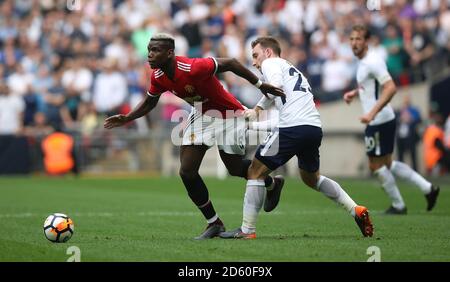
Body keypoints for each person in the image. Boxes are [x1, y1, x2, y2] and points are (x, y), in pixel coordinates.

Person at [103, 33, 286, 239]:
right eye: (149, 51)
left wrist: (261, 85)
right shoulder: (158, 76)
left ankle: (272, 183)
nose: (150, 55)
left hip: (230, 115)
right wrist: (127, 118)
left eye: (155, 51)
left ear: (170, 53)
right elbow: (149, 102)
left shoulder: (193, 67)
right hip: (201, 115)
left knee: (234, 169)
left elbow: (232, 63)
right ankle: (214, 222)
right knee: (187, 171)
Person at [220, 36, 374, 239]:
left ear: (268, 52)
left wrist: (256, 108)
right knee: (312, 178)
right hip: (313, 128)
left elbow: (273, 87)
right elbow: (278, 92)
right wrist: (257, 111)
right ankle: (356, 209)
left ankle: (247, 230)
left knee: (255, 171)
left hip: (292, 127)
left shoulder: (271, 63)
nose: (255, 63)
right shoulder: (292, 69)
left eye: (256, 56)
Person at [343, 25, 439, 215]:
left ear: (367, 41)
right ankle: (427, 189)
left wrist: (371, 113)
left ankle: (398, 205)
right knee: (387, 163)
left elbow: (390, 88)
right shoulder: (364, 62)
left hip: (378, 120)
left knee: (375, 165)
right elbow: (371, 85)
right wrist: (355, 93)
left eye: (358, 39)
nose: (354, 43)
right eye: (352, 39)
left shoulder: (372, 61)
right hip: (383, 118)